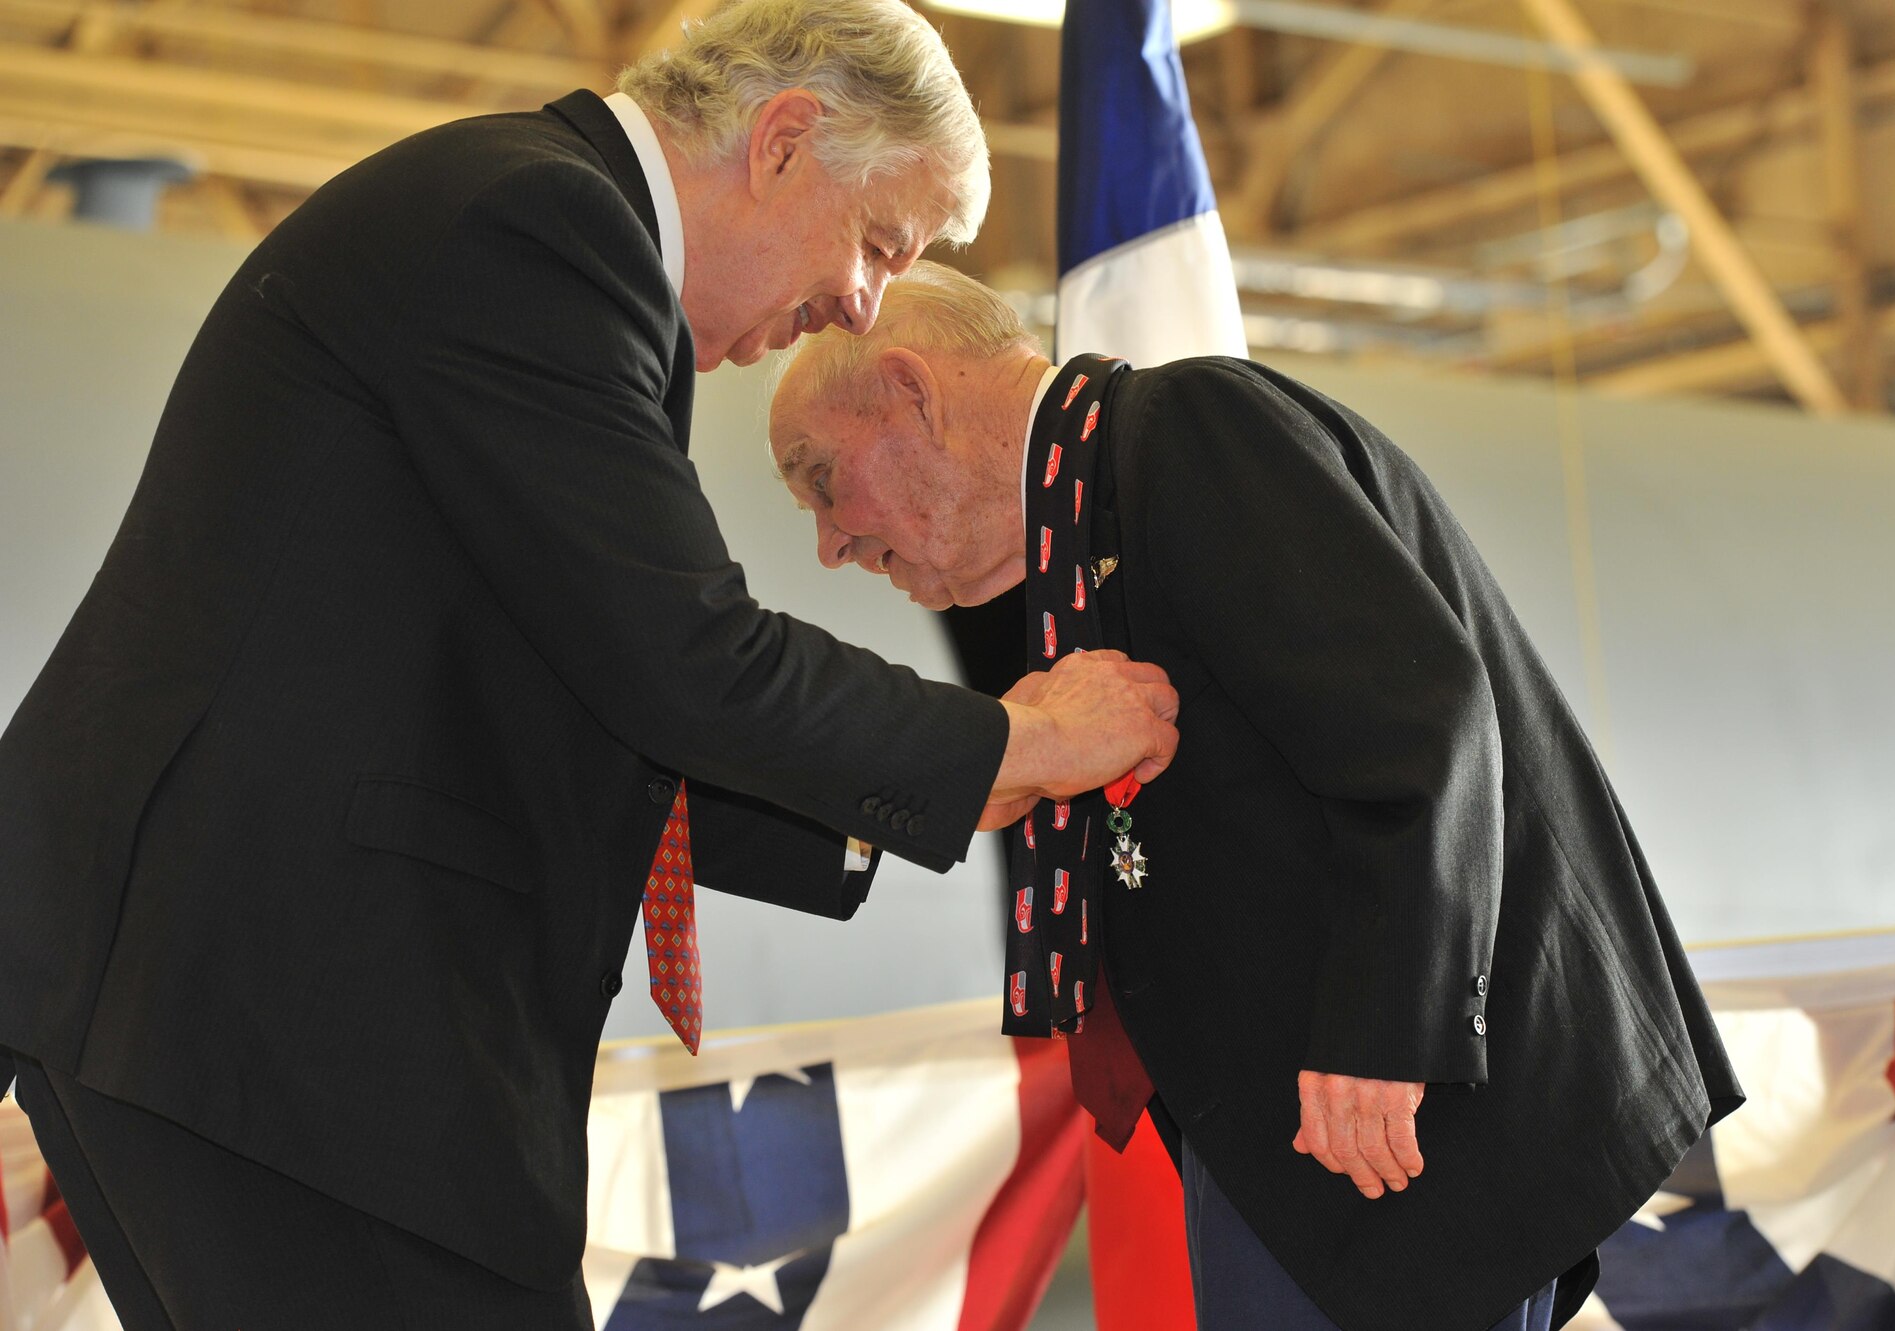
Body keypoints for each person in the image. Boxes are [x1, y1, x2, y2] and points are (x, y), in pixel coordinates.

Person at [0, 6, 1180, 1327]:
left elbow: (581, 695)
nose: (861, 299)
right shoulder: (537, 232)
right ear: (784, 141)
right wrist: (1016, 737)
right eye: (879, 242)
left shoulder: (541, 232)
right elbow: (686, 659)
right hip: (266, 1005)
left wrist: (920, 803)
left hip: (252, 999)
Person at [766, 261, 1744, 1331]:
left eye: (822, 479)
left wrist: (1386, 1034)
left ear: (910, 390)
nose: (829, 544)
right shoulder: (1088, 522)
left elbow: (1422, 721)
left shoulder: (1189, 426)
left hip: (1375, 1105)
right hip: (1300, 1123)